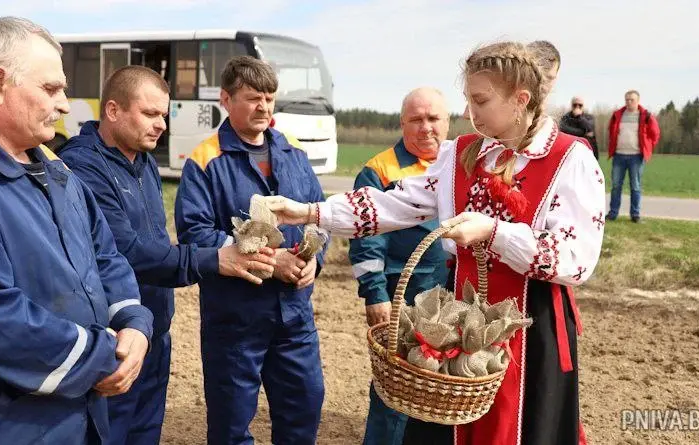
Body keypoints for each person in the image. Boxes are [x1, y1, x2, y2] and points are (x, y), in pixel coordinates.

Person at [265, 41, 604, 445]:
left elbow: (575, 259)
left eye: (480, 100)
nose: (468, 113)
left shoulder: (571, 160)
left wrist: (493, 232)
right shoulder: (462, 155)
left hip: (532, 331)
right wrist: (308, 212)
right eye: (468, 100)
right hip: (458, 323)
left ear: (521, 99)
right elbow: (392, 204)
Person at [0, 17, 154, 444]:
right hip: (1, 427)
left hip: (78, 417)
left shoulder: (55, 166)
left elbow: (105, 256)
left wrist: (134, 322)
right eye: (51, 89)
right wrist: (104, 358)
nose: (66, 104)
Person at [58, 65, 276, 445]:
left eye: (164, 115)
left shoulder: (143, 161)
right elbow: (128, 252)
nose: (160, 125)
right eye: (150, 113)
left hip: (157, 329)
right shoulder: (82, 166)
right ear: (113, 111)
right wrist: (214, 259)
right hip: (115, 336)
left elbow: (157, 239)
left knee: (146, 433)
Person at [174, 56, 328, 444]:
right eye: (252, 98)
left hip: (295, 314)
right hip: (235, 317)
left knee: (304, 407)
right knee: (231, 425)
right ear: (226, 99)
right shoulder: (206, 159)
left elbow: (316, 217)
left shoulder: (293, 152)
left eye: (270, 98)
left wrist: (314, 262)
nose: (263, 107)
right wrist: (268, 261)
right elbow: (195, 233)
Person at [352, 87, 451, 445]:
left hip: (451, 300)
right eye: (416, 119)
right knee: (396, 387)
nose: (426, 127)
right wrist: (375, 294)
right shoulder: (380, 170)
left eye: (433, 118)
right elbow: (366, 237)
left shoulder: (457, 164)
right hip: (402, 298)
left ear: (448, 121)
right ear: (402, 123)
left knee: (445, 386)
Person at [606, 90, 661, 223]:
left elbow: (655, 134)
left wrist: (647, 148)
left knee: (635, 186)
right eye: (627, 100)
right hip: (619, 155)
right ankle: (613, 214)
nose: (629, 102)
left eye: (632, 100)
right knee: (615, 186)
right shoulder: (618, 115)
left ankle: (635, 215)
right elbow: (611, 131)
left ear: (638, 101)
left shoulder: (646, 116)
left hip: (636, 157)